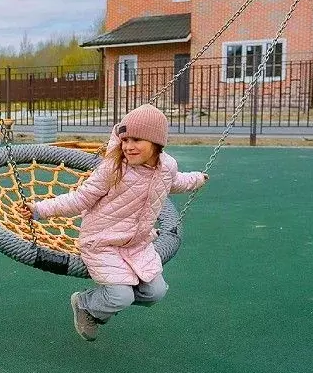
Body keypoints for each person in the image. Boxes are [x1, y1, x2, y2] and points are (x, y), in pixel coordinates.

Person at [20, 104, 207, 341]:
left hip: (137, 243)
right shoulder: (113, 168)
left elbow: (175, 182)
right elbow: (80, 198)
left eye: (137, 140)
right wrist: (39, 209)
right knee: (122, 296)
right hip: (103, 241)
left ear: (157, 143)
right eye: (125, 139)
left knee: (155, 293)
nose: (128, 146)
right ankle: (85, 305)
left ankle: (102, 305)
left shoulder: (166, 166)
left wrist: (197, 179)